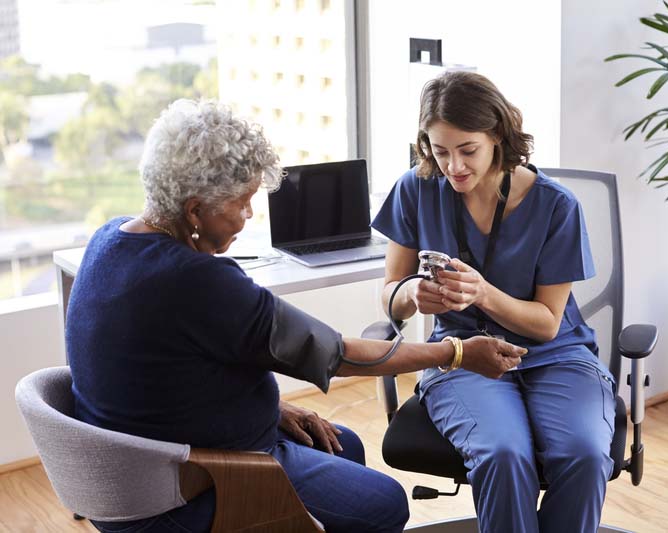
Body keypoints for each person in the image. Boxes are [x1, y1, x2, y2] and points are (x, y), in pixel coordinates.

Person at [65, 99, 526, 533]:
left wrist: (271, 408)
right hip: (189, 485)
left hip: (142, 468)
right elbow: (336, 354)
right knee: (386, 504)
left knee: (344, 444)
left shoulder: (110, 240)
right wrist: (456, 351)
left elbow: (164, 371)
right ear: (194, 210)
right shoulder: (199, 281)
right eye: (242, 203)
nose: (248, 215)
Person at [371, 71, 616, 533]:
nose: (453, 167)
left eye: (468, 150)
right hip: (462, 357)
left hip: (556, 356)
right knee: (503, 453)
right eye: (439, 151)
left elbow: (546, 324)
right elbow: (389, 293)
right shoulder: (416, 188)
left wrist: (481, 291)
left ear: (498, 136)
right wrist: (411, 295)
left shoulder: (556, 206)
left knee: (582, 455)